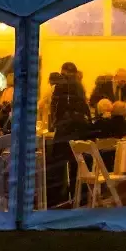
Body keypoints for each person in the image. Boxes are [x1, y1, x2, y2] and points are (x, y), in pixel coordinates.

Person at [44, 76, 92, 209]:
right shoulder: (82, 105)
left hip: (63, 137)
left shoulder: (61, 103)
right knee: (78, 165)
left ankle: (59, 197)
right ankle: (80, 196)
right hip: (80, 136)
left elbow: (56, 119)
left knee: (58, 166)